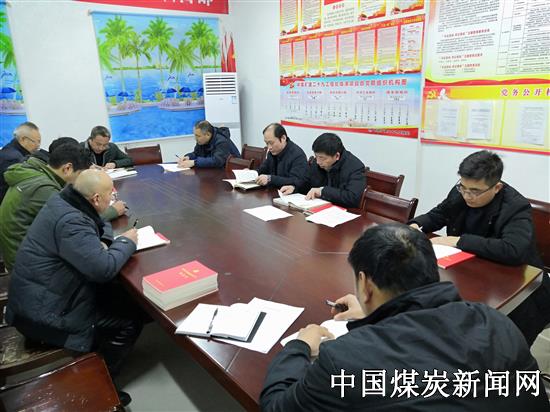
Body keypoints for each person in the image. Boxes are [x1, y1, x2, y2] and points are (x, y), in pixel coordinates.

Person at [261, 224, 548, 411]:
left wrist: (299, 346)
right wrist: (376, 313)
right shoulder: (496, 322)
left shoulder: (342, 362)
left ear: (365, 284)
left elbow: (275, 406)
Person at [6, 169, 142, 406]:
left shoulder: (64, 201)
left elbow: (99, 223)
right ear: (96, 199)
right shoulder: (71, 221)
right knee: (130, 320)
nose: (112, 199)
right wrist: (126, 242)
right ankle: (101, 383)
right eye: (110, 195)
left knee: (119, 295)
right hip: (44, 316)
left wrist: (104, 242)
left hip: (38, 298)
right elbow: (103, 270)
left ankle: (97, 352)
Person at [409, 150, 549, 345]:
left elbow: (513, 250)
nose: (467, 195)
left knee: (496, 344)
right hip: (473, 274)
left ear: (497, 187)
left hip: (520, 286)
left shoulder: (515, 206)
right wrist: (415, 226)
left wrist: (458, 241)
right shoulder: (460, 192)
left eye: (475, 191)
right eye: (463, 187)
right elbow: (439, 214)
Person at [0, 139, 126, 272]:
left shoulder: (36, 171)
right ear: (67, 168)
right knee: (97, 263)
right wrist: (112, 211)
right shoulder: (44, 189)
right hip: (26, 262)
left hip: (23, 248)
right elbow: (79, 220)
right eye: (80, 176)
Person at [280, 133, 365, 208]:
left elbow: (352, 198)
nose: (318, 162)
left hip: (343, 213)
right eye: (316, 156)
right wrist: (294, 187)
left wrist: (323, 191)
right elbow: (306, 182)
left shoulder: (355, 167)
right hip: (317, 209)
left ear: (337, 156)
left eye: (322, 158)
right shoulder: (317, 163)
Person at [255, 123, 307, 189]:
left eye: (271, 143)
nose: (269, 147)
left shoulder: (297, 155)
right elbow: (263, 169)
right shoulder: (272, 152)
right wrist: (251, 173)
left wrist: (270, 179)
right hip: (272, 191)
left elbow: (296, 180)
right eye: (266, 143)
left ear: (283, 138)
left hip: (288, 193)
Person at [0, 122, 41, 202]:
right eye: (36, 142)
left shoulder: (8, 150)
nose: (38, 146)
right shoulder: (15, 159)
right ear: (23, 139)